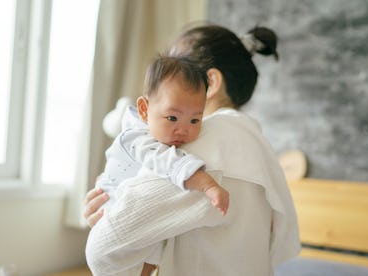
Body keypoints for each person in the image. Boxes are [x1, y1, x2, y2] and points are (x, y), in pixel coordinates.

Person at [84, 23, 301, 276]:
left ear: (210, 81)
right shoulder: (256, 143)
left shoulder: (204, 143)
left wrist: (106, 223)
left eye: (178, 69)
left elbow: (104, 250)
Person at [94, 55, 229, 216]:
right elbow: (168, 162)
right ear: (144, 110)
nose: (184, 130)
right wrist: (208, 186)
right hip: (108, 208)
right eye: (172, 118)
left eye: (194, 120)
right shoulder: (135, 138)